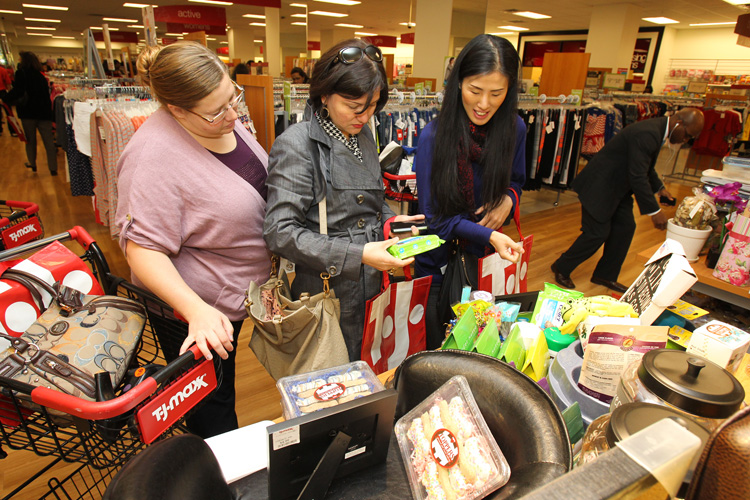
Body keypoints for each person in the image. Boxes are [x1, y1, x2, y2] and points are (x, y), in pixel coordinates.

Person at [115, 41, 270, 438]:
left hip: (232, 297)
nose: (233, 115)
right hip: (197, 311)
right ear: (177, 109)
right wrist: (195, 309)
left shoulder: (222, 119)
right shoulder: (152, 156)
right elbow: (141, 249)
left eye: (232, 97)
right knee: (212, 415)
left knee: (221, 395)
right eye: (217, 110)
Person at [264, 39, 424, 361]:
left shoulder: (362, 133)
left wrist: (392, 220)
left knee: (368, 364)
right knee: (332, 377)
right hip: (328, 289)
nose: (364, 116)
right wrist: (359, 253)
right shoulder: (298, 145)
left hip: (371, 281)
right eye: (354, 106)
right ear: (324, 93)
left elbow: (370, 197)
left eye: (373, 105)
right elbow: (279, 232)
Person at [414, 34, 525, 350]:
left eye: (497, 93)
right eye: (475, 90)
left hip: (490, 264)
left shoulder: (513, 128)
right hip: (440, 264)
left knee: (487, 348)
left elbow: (516, 181)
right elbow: (436, 220)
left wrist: (508, 200)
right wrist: (488, 234)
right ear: (458, 83)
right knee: (444, 351)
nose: (484, 103)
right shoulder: (435, 137)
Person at [551, 108, 705, 293]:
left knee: (625, 228)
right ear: (679, 123)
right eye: (687, 135)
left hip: (618, 187)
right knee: (596, 233)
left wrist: (659, 189)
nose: (685, 140)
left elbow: (645, 167)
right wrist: (654, 212)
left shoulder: (656, 130)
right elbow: (637, 175)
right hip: (600, 185)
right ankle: (561, 266)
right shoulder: (648, 133)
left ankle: (605, 275)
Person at [2, 51, 57, 174]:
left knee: (30, 140)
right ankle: (53, 168)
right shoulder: (41, 76)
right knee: (48, 141)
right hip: (44, 113)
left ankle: (33, 164)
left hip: (28, 112)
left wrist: (4, 99)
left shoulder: (21, 74)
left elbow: (18, 91)